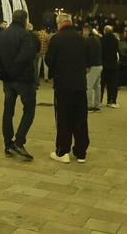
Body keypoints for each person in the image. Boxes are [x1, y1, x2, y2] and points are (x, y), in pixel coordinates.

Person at [46, 13, 90, 163]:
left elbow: (49, 60)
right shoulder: (81, 39)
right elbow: (88, 60)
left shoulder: (56, 39)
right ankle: (81, 152)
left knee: (64, 118)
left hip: (63, 85)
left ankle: (62, 151)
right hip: (80, 84)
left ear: (59, 24)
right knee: (80, 118)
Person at [0, 9, 37, 160]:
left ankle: (8, 144)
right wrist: (14, 73)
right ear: (25, 20)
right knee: (29, 110)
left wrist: (4, 74)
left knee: (8, 111)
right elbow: (25, 57)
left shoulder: (2, 34)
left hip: (8, 80)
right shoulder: (25, 35)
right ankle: (19, 141)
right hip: (23, 80)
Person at [83, 25, 104, 112]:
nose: (83, 33)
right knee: (97, 86)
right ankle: (97, 105)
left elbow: (89, 54)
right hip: (99, 64)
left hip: (93, 65)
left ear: (87, 31)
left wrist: (87, 66)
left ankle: (89, 105)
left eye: (84, 31)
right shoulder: (96, 39)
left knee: (88, 86)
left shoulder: (90, 40)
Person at [100, 25, 121, 108]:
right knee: (112, 84)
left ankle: (99, 101)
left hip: (104, 64)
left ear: (105, 31)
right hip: (113, 65)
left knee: (101, 84)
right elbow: (117, 52)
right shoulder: (115, 40)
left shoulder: (101, 39)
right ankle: (111, 101)